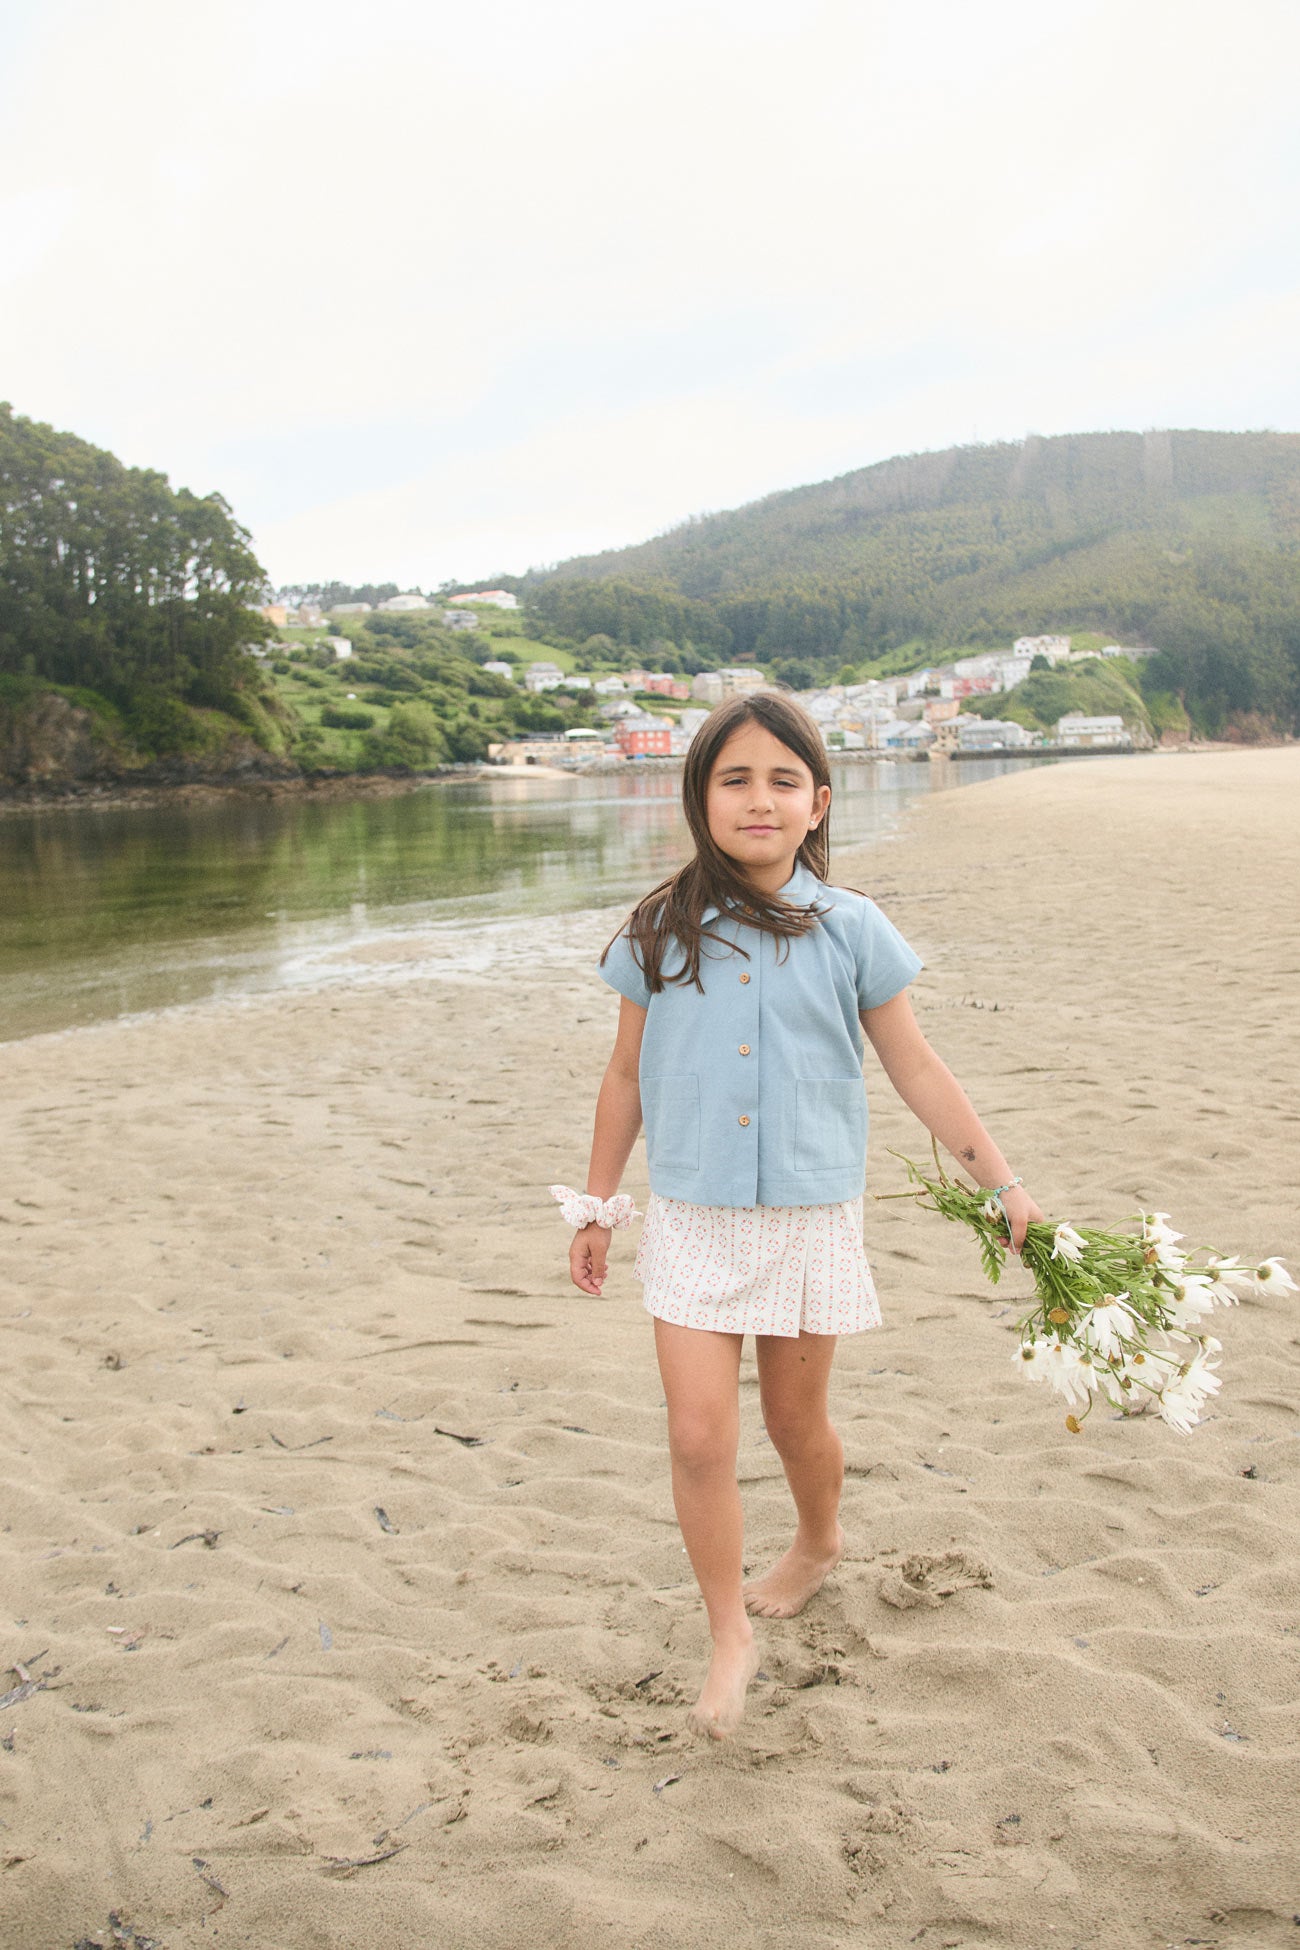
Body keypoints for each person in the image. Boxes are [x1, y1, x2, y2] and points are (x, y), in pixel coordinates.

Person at [552, 690, 1042, 1740]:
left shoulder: (851, 927)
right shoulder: (656, 929)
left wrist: (1000, 1181)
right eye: (734, 779)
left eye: (782, 781)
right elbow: (625, 1076)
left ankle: (817, 1541)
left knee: (792, 1422)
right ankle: (728, 1630)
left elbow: (914, 1063)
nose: (758, 799)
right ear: (700, 799)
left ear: (818, 803)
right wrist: (598, 1204)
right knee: (697, 1435)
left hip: (809, 1215)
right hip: (691, 1216)